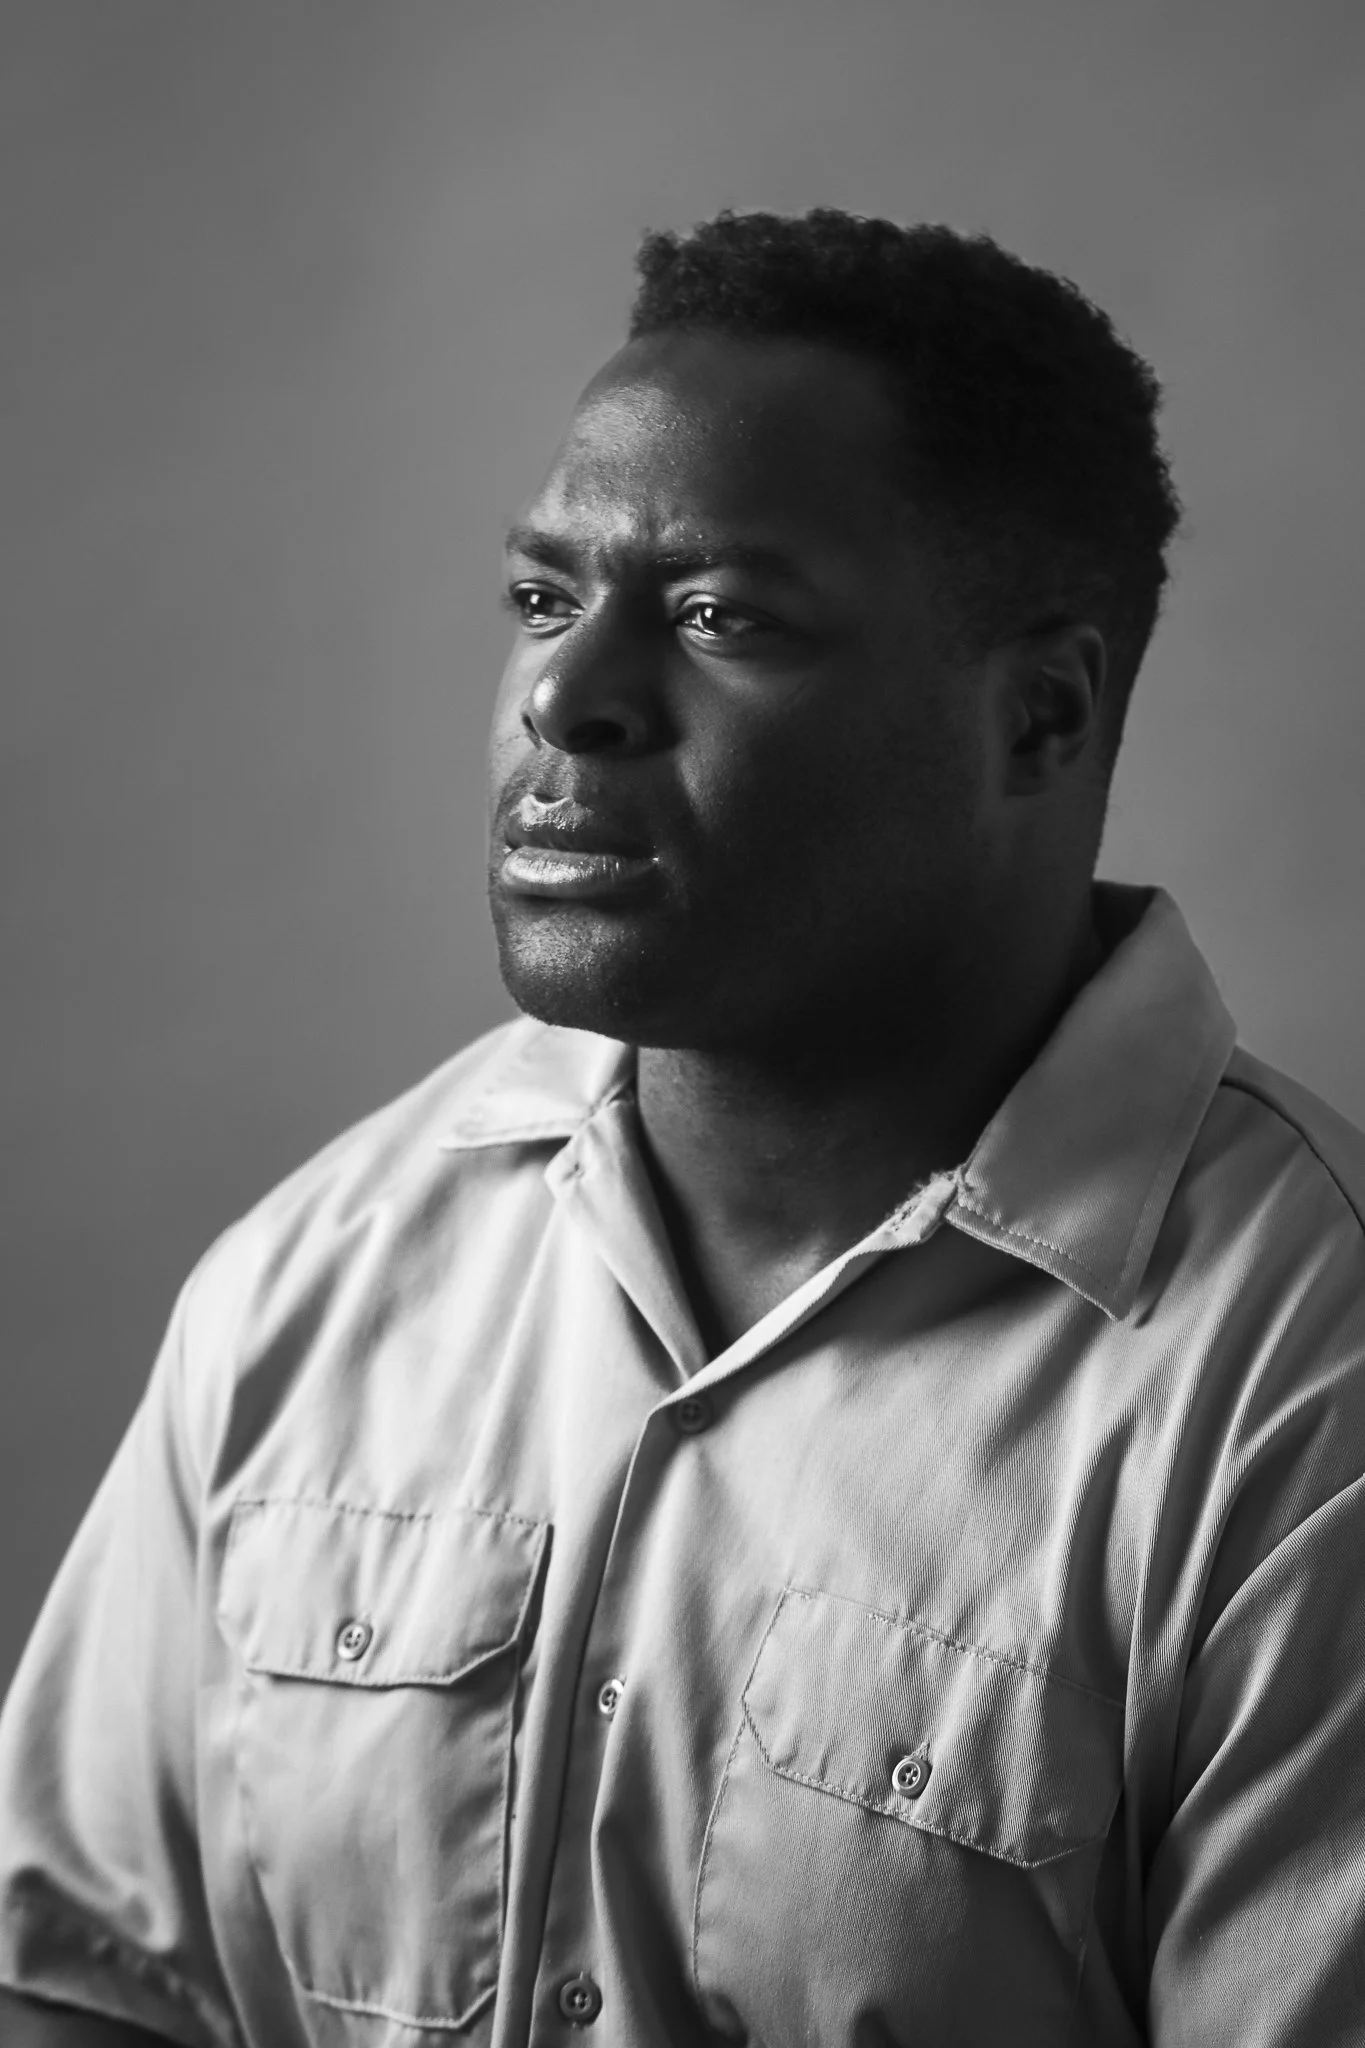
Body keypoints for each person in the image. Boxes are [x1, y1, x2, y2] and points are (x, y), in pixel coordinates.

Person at [2, 206, 1364, 2048]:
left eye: (722, 617)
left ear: (1042, 717)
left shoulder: (1298, 1379)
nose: (568, 696)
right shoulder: (318, 1277)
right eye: (545, 599)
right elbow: (85, 1980)